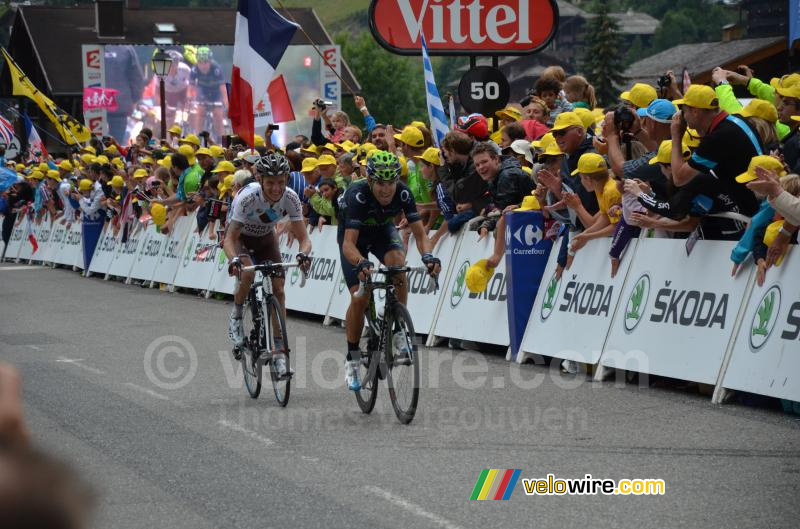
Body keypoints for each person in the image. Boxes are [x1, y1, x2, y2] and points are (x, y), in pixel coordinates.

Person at [335, 150, 440, 391]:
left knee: (398, 266)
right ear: (370, 180)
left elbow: (420, 234)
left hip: (383, 232)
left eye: (391, 182)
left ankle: (397, 327)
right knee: (359, 298)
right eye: (380, 183)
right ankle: (352, 356)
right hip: (354, 238)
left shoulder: (403, 192)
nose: (386, 189)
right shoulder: (357, 195)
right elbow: (348, 244)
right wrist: (361, 262)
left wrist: (428, 255)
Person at [224, 153, 312, 378]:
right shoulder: (247, 197)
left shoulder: (291, 198)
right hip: (241, 238)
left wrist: (303, 254)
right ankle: (235, 315)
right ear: (260, 180)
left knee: (279, 289)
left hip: (266, 238)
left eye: (281, 182)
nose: (276, 188)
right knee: (247, 275)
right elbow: (230, 238)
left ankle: (280, 354)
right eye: (271, 183)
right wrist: (234, 259)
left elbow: (305, 239)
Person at [670, 84, 762, 218]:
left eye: (684, 111)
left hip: (754, 210)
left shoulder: (718, 138)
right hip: (763, 200)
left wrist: (676, 136)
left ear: (695, 112)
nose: (683, 116)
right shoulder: (737, 120)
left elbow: (679, 178)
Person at [189, 46, 227, 141]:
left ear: (210, 61)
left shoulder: (216, 69)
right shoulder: (194, 69)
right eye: (200, 62)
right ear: (197, 62)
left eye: (205, 62)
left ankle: (220, 138)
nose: (203, 65)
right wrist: (190, 98)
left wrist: (226, 101)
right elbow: (191, 87)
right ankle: (198, 137)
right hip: (203, 92)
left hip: (216, 93)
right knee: (200, 111)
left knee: (218, 113)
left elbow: (222, 87)